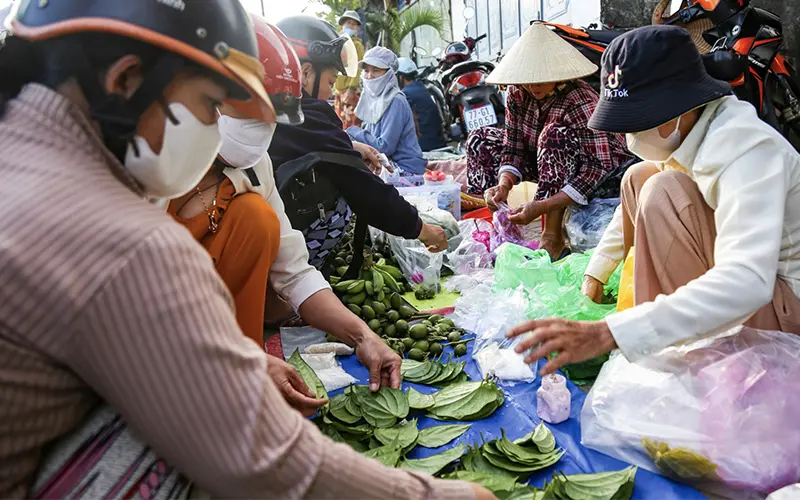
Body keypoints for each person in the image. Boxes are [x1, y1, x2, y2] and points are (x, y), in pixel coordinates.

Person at [0, 2, 492, 499]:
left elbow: (292, 269)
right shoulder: (123, 240)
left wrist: (336, 340)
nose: (219, 122)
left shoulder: (27, 154)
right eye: (211, 102)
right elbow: (263, 462)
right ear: (127, 80)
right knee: (192, 444)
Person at [508, 25, 800, 378]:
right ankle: (658, 339)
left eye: (636, 121)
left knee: (663, 190)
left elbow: (748, 281)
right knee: (640, 176)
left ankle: (685, 359)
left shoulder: (747, 150)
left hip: (782, 309)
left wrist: (612, 333)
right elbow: (636, 190)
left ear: (678, 107)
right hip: (759, 296)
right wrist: (597, 270)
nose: (630, 136)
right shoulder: (694, 133)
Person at [167, 16, 400, 414]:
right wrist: (240, 364)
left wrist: (363, 337)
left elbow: (295, 272)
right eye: (251, 114)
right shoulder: (155, 160)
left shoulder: (256, 168)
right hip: (147, 322)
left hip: (212, 328)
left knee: (257, 218)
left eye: (270, 119)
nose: (261, 130)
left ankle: (238, 365)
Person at [271, 16, 448, 274]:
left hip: (268, 233)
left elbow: (313, 147)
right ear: (306, 73)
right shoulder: (305, 116)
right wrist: (422, 229)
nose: (330, 93)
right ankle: (300, 274)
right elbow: (362, 187)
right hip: (279, 249)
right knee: (342, 199)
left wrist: (350, 145)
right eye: (331, 83)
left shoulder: (278, 110)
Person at [479, 23, 633, 261]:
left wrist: (543, 205)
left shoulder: (580, 99)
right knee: (482, 140)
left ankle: (552, 237)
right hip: (547, 162)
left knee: (553, 136)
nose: (533, 87)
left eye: (541, 80)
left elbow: (598, 166)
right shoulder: (518, 94)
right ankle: (504, 227)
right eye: (529, 80)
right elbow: (513, 146)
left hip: (602, 173)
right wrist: (504, 184)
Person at [346, 47, 427, 175]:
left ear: (389, 73)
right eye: (366, 71)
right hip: (385, 162)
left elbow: (384, 147)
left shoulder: (395, 100)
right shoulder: (370, 99)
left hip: (404, 168)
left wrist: (352, 131)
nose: (369, 76)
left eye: (376, 70)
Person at [397, 57, 447, 152]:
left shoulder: (405, 94)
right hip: (438, 142)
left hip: (423, 148)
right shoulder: (422, 87)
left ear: (400, 77)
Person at [334, 9, 365, 129]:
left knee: (351, 123)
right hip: (338, 90)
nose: (350, 26)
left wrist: (351, 89)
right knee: (339, 122)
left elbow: (358, 68)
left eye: (354, 24)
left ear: (357, 28)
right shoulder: (337, 43)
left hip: (349, 89)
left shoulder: (357, 45)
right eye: (348, 23)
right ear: (342, 25)